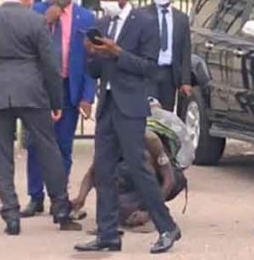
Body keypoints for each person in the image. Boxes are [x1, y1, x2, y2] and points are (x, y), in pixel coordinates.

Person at [0, 0, 81, 235]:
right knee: (48, 149)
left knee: (1, 155)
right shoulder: (35, 21)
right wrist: (55, 100)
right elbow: (50, 64)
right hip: (32, 92)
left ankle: (11, 215)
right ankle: (61, 209)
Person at [75, 0, 180, 254]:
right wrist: (91, 53)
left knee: (138, 167)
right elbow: (95, 71)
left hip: (131, 106)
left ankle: (167, 227)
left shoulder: (145, 23)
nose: (106, 2)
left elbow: (151, 68)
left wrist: (118, 52)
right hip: (108, 105)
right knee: (104, 170)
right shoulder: (102, 24)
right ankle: (107, 234)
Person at [21, 0, 96, 218]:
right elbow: (24, 43)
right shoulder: (35, 12)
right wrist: (46, 21)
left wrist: (87, 96)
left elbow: (91, 60)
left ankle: (59, 198)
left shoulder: (85, 17)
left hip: (67, 88)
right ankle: (35, 197)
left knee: (63, 146)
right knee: (35, 144)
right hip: (39, 88)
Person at [71, 98, 190, 231]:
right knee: (111, 177)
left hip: (153, 177)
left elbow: (170, 180)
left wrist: (150, 212)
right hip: (128, 175)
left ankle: (151, 214)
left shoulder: (151, 139)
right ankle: (130, 207)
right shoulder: (111, 138)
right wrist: (81, 198)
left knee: (144, 161)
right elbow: (93, 171)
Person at [139, 0, 192, 111]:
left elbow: (185, 51)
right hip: (148, 71)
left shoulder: (181, 18)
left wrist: (185, 81)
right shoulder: (141, 15)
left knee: (166, 113)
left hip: (169, 74)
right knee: (149, 111)